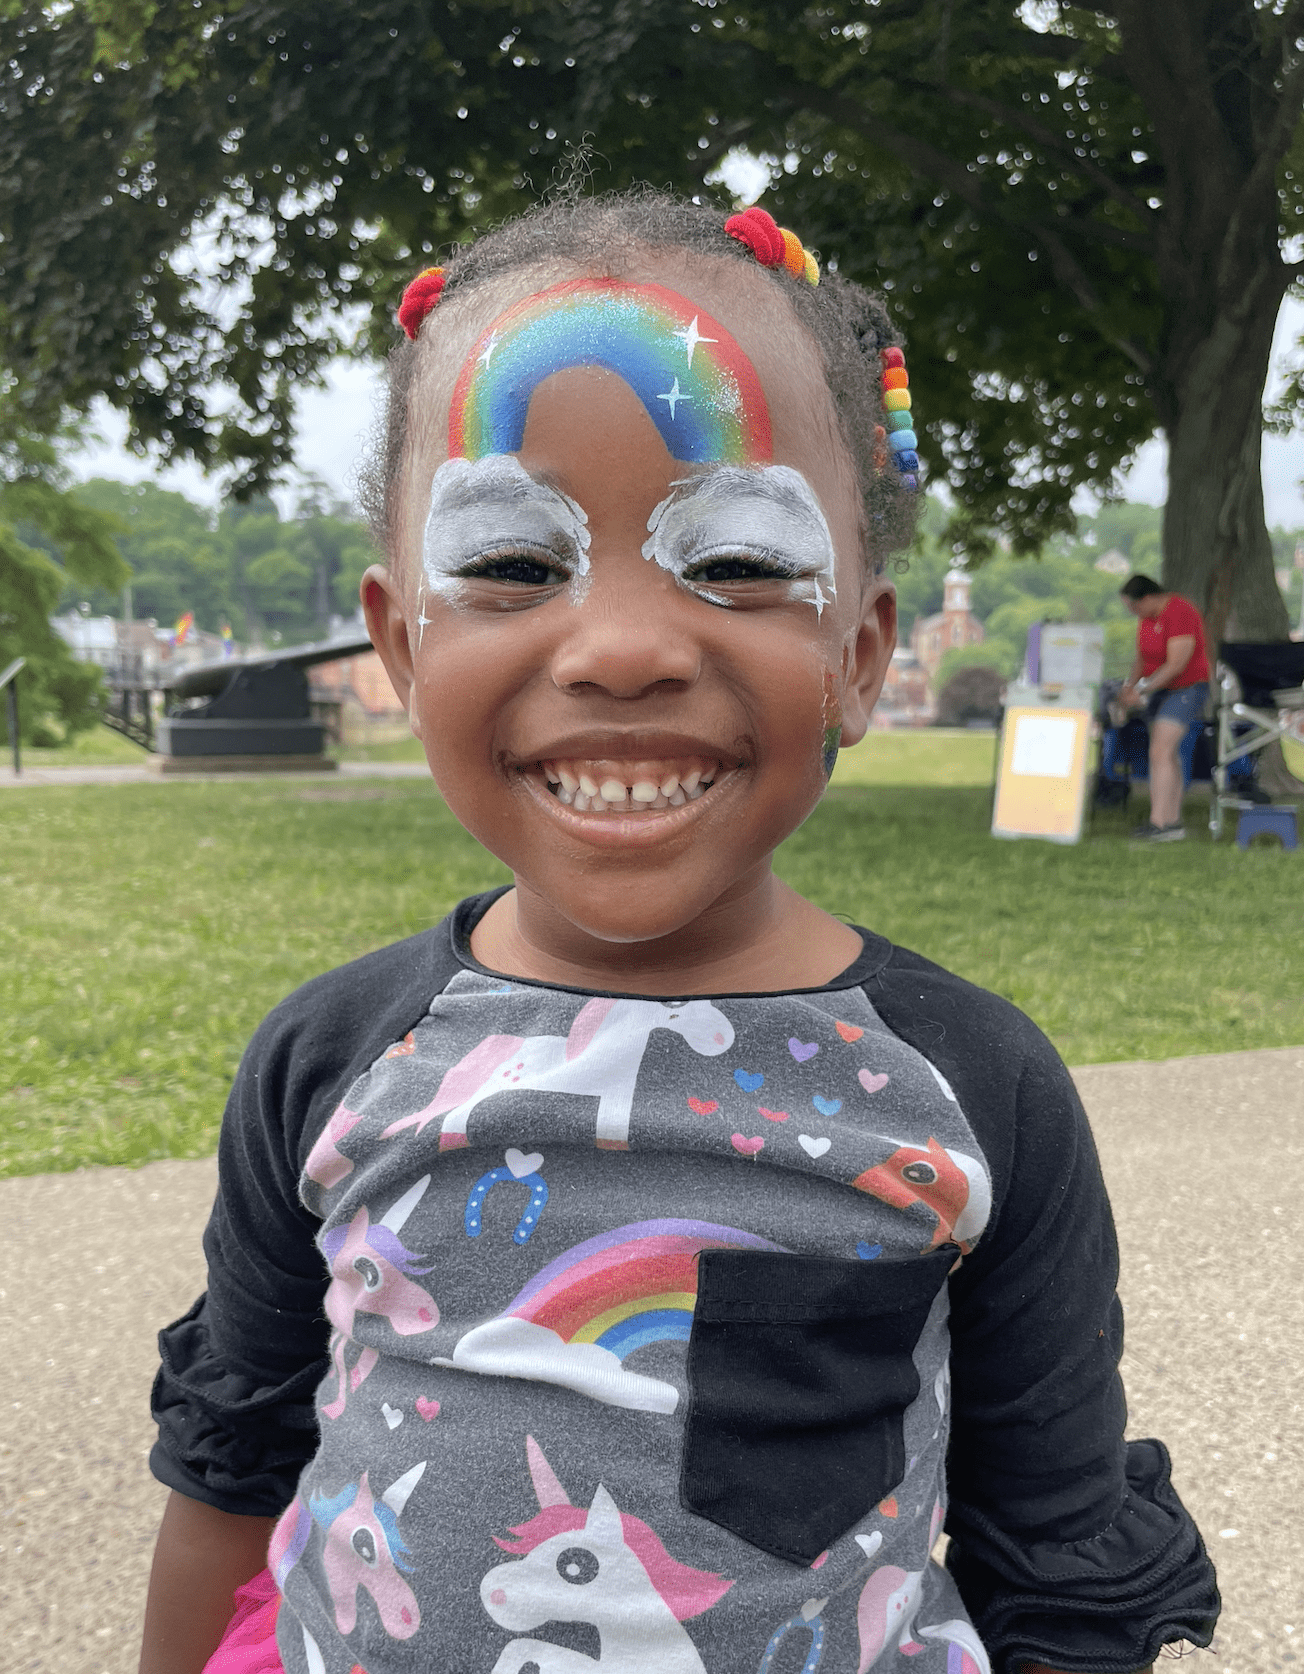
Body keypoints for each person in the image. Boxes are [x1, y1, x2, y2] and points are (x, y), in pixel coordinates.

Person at [139, 193, 1219, 1674]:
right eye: (514, 563)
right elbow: (232, 1457)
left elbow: (1055, 1550)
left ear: (856, 653)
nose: (628, 646)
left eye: (734, 560)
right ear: (400, 646)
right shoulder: (333, 1061)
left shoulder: (971, 1089)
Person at [1117, 575, 1212, 841]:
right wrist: (1129, 686)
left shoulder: (1180, 612)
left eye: (1133, 607)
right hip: (1157, 690)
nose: (1133, 613)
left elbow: (1176, 664)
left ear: (1147, 598)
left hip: (1186, 688)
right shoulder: (1146, 619)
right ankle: (1172, 822)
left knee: (1160, 750)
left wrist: (1141, 690)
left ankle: (1158, 823)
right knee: (1166, 754)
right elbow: (1141, 658)